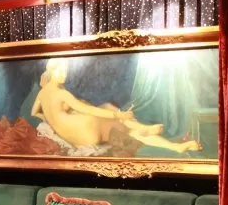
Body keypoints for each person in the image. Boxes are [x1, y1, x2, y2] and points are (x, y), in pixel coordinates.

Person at [30, 58, 202, 154]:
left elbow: (34, 112)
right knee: (121, 123)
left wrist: (53, 122)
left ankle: (172, 145)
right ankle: (146, 130)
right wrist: (118, 115)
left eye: (65, 70)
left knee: (117, 120)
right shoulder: (63, 94)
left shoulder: (42, 93)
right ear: (50, 72)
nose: (64, 74)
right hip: (87, 131)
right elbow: (88, 110)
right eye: (59, 71)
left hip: (75, 135)